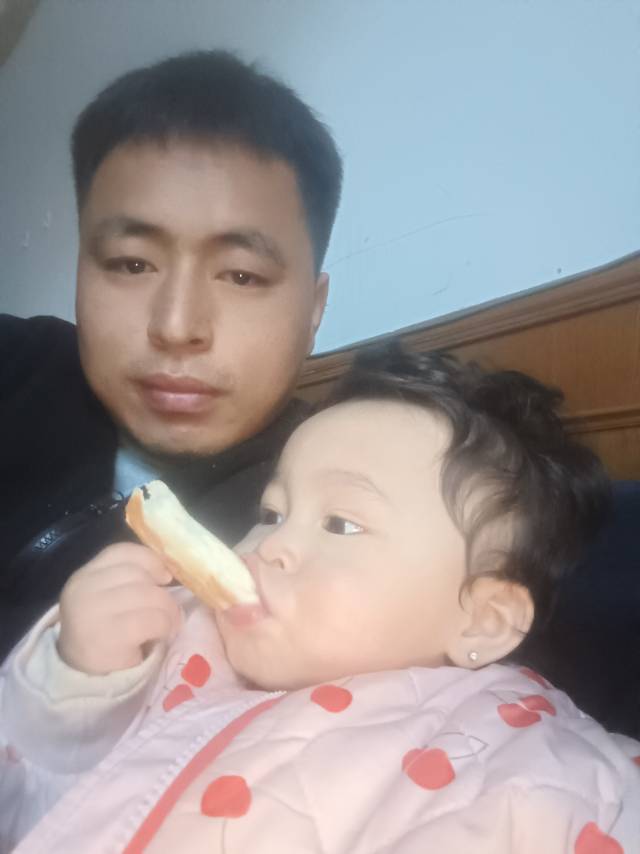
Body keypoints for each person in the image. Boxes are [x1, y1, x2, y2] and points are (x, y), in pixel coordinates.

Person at [2, 345, 639, 853]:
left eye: (340, 523)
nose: (271, 546)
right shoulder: (171, 636)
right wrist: (75, 682)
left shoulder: (517, 758)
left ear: (483, 620)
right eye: (271, 512)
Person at [0, 50, 343, 660]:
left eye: (241, 275)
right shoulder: (17, 367)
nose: (176, 326)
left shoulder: (344, 503)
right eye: (132, 264)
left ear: (313, 310)